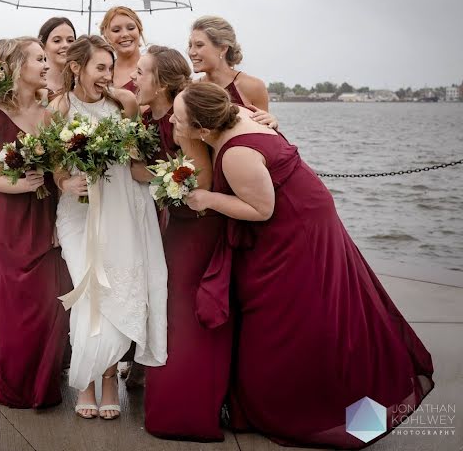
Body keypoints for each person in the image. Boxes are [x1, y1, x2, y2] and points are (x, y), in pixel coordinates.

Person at [173, 82, 434, 448]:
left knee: (288, 319)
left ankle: (315, 412)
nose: (172, 119)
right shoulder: (240, 112)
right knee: (311, 312)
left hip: (295, 231)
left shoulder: (236, 154)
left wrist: (209, 198)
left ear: (203, 130)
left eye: (180, 117)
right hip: (308, 213)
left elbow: (262, 209)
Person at [51, 35, 167, 420]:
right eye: (99, 67)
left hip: (119, 209)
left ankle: (108, 378)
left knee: (116, 289)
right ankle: (85, 380)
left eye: (109, 67)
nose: (107, 75)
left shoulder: (125, 103)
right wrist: (64, 182)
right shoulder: (58, 109)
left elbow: (135, 158)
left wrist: (165, 174)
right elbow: (55, 166)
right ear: (75, 68)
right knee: (87, 292)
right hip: (78, 212)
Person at [128, 48, 232, 440]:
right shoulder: (145, 117)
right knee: (169, 309)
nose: (134, 79)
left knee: (186, 314)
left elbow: (200, 181)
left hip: (197, 227)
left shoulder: (180, 121)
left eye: (141, 73)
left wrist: (158, 179)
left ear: (162, 83)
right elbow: (145, 169)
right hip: (173, 224)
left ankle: (187, 407)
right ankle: (173, 399)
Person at [0, 37, 69, 408]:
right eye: (39, 59)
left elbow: (64, 168)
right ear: (16, 68)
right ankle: (15, 384)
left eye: (46, 58)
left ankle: (47, 378)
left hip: (51, 215)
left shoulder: (53, 112)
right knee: (16, 307)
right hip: (13, 221)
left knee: (49, 304)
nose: (47, 64)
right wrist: (21, 184)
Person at [188, 16, 277, 128]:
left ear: (223, 48)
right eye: (190, 45)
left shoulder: (253, 87)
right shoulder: (190, 90)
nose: (191, 52)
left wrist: (271, 123)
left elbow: (265, 134)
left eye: (199, 45)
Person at [99, 6, 144, 92]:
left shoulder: (156, 67)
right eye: (116, 30)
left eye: (131, 28)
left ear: (139, 30)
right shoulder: (102, 73)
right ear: (106, 36)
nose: (125, 34)